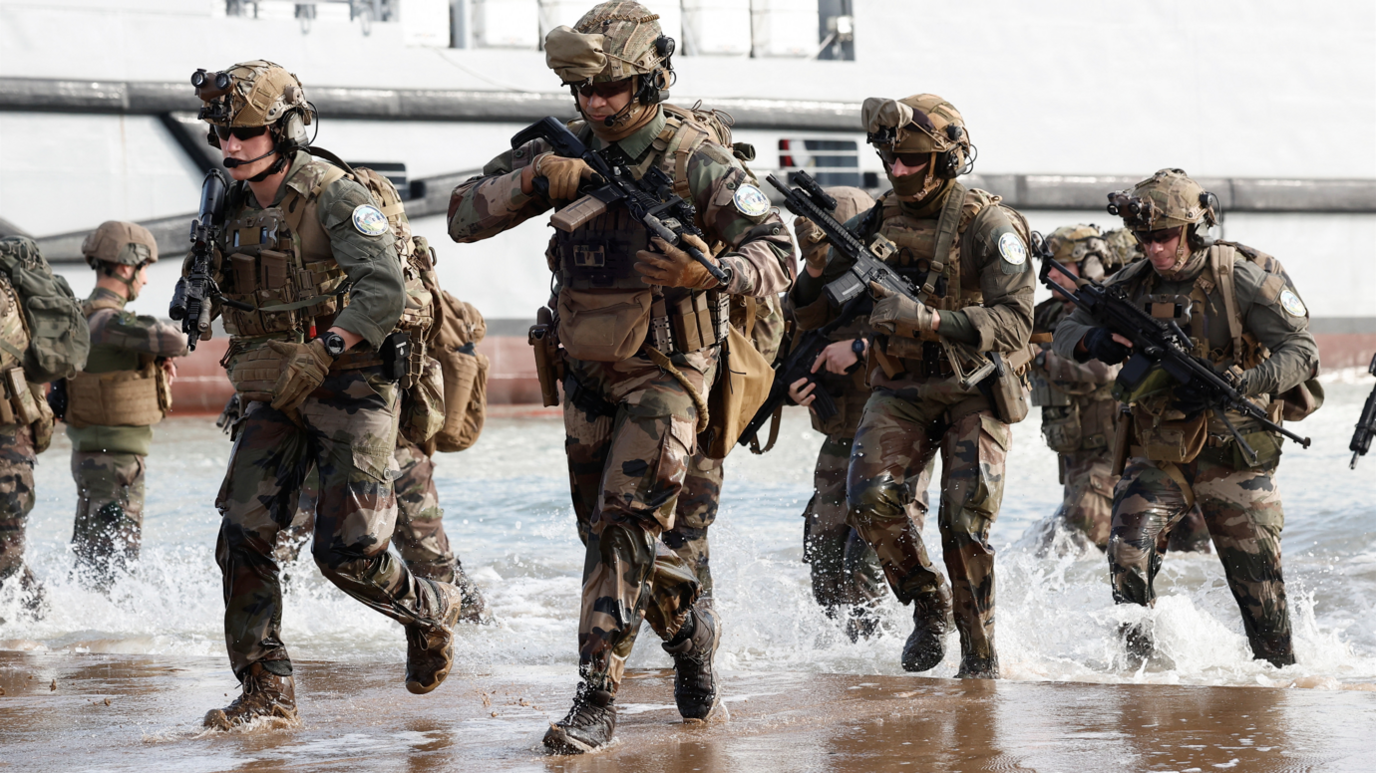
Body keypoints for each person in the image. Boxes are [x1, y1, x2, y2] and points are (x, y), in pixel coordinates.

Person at [449, 1, 794, 752]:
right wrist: (538, 181)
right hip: (586, 370)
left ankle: (594, 697)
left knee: (624, 523)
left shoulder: (694, 158)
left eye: (611, 90)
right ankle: (690, 628)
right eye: (584, 91)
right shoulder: (565, 151)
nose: (596, 105)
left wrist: (714, 270)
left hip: (671, 370)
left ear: (650, 79)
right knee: (606, 535)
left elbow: (777, 248)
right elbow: (461, 217)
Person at [189, 60, 466, 730]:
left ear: (286, 130)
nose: (230, 146)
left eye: (246, 133)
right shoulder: (226, 200)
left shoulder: (334, 196)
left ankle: (431, 610)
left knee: (345, 551)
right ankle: (266, 687)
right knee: (244, 533)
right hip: (273, 385)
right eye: (221, 133)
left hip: (353, 383)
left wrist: (326, 350)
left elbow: (384, 291)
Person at [791, 94, 1035, 679]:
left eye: (912, 161)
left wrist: (928, 320)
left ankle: (980, 659)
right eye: (890, 159)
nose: (898, 172)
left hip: (973, 389)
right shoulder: (876, 219)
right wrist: (818, 267)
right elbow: (808, 313)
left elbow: (1016, 323)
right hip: (901, 387)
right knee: (869, 502)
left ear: (947, 160)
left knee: (963, 522)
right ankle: (929, 603)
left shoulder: (989, 225)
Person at [1052, 168, 1319, 667]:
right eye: (1145, 238)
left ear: (1194, 227)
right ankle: (1144, 674)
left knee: (1259, 590)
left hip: (1234, 450)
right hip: (1160, 450)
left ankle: (1276, 688)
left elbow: (1301, 351)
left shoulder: (1238, 276)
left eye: (1165, 236)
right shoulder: (1130, 284)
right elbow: (1069, 327)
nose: (1154, 248)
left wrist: (1247, 381)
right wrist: (1096, 342)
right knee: (1127, 555)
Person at [787, 186, 931, 640]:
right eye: (811, 254)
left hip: (898, 437)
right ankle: (845, 664)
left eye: (826, 250)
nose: (820, 261)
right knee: (823, 553)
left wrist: (860, 346)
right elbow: (788, 346)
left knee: (869, 556)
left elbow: (932, 337)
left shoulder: (898, 279)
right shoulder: (815, 292)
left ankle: (884, 658)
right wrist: (796, 387)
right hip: (842, 436)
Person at [1027, 224, 1209, 554]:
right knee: (1070, 536)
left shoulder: (1112, 310)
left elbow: (1101, 370)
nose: (1051, 273)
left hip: (1118, 450)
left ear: (1089, 266)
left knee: (1165, 536)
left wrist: (1038, 359)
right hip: (1081, 451)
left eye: (1061, 266)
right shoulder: (1049, 315)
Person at [64, 221, 188, 586]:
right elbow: (176, 340)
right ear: (124, 266)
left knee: (91, 561)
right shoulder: (108, 320)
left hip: (92, 455)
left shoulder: (79, 316)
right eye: (144, 268)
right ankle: (105, 642)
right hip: (117, 463)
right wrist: (159, 353)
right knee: (114, 569)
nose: (146, 279)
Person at [0, 236, 75, 618]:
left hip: (8, 441)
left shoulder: (4, 294)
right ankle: (37, 623)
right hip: (14, 439)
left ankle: (36, 627)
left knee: (7, 554)